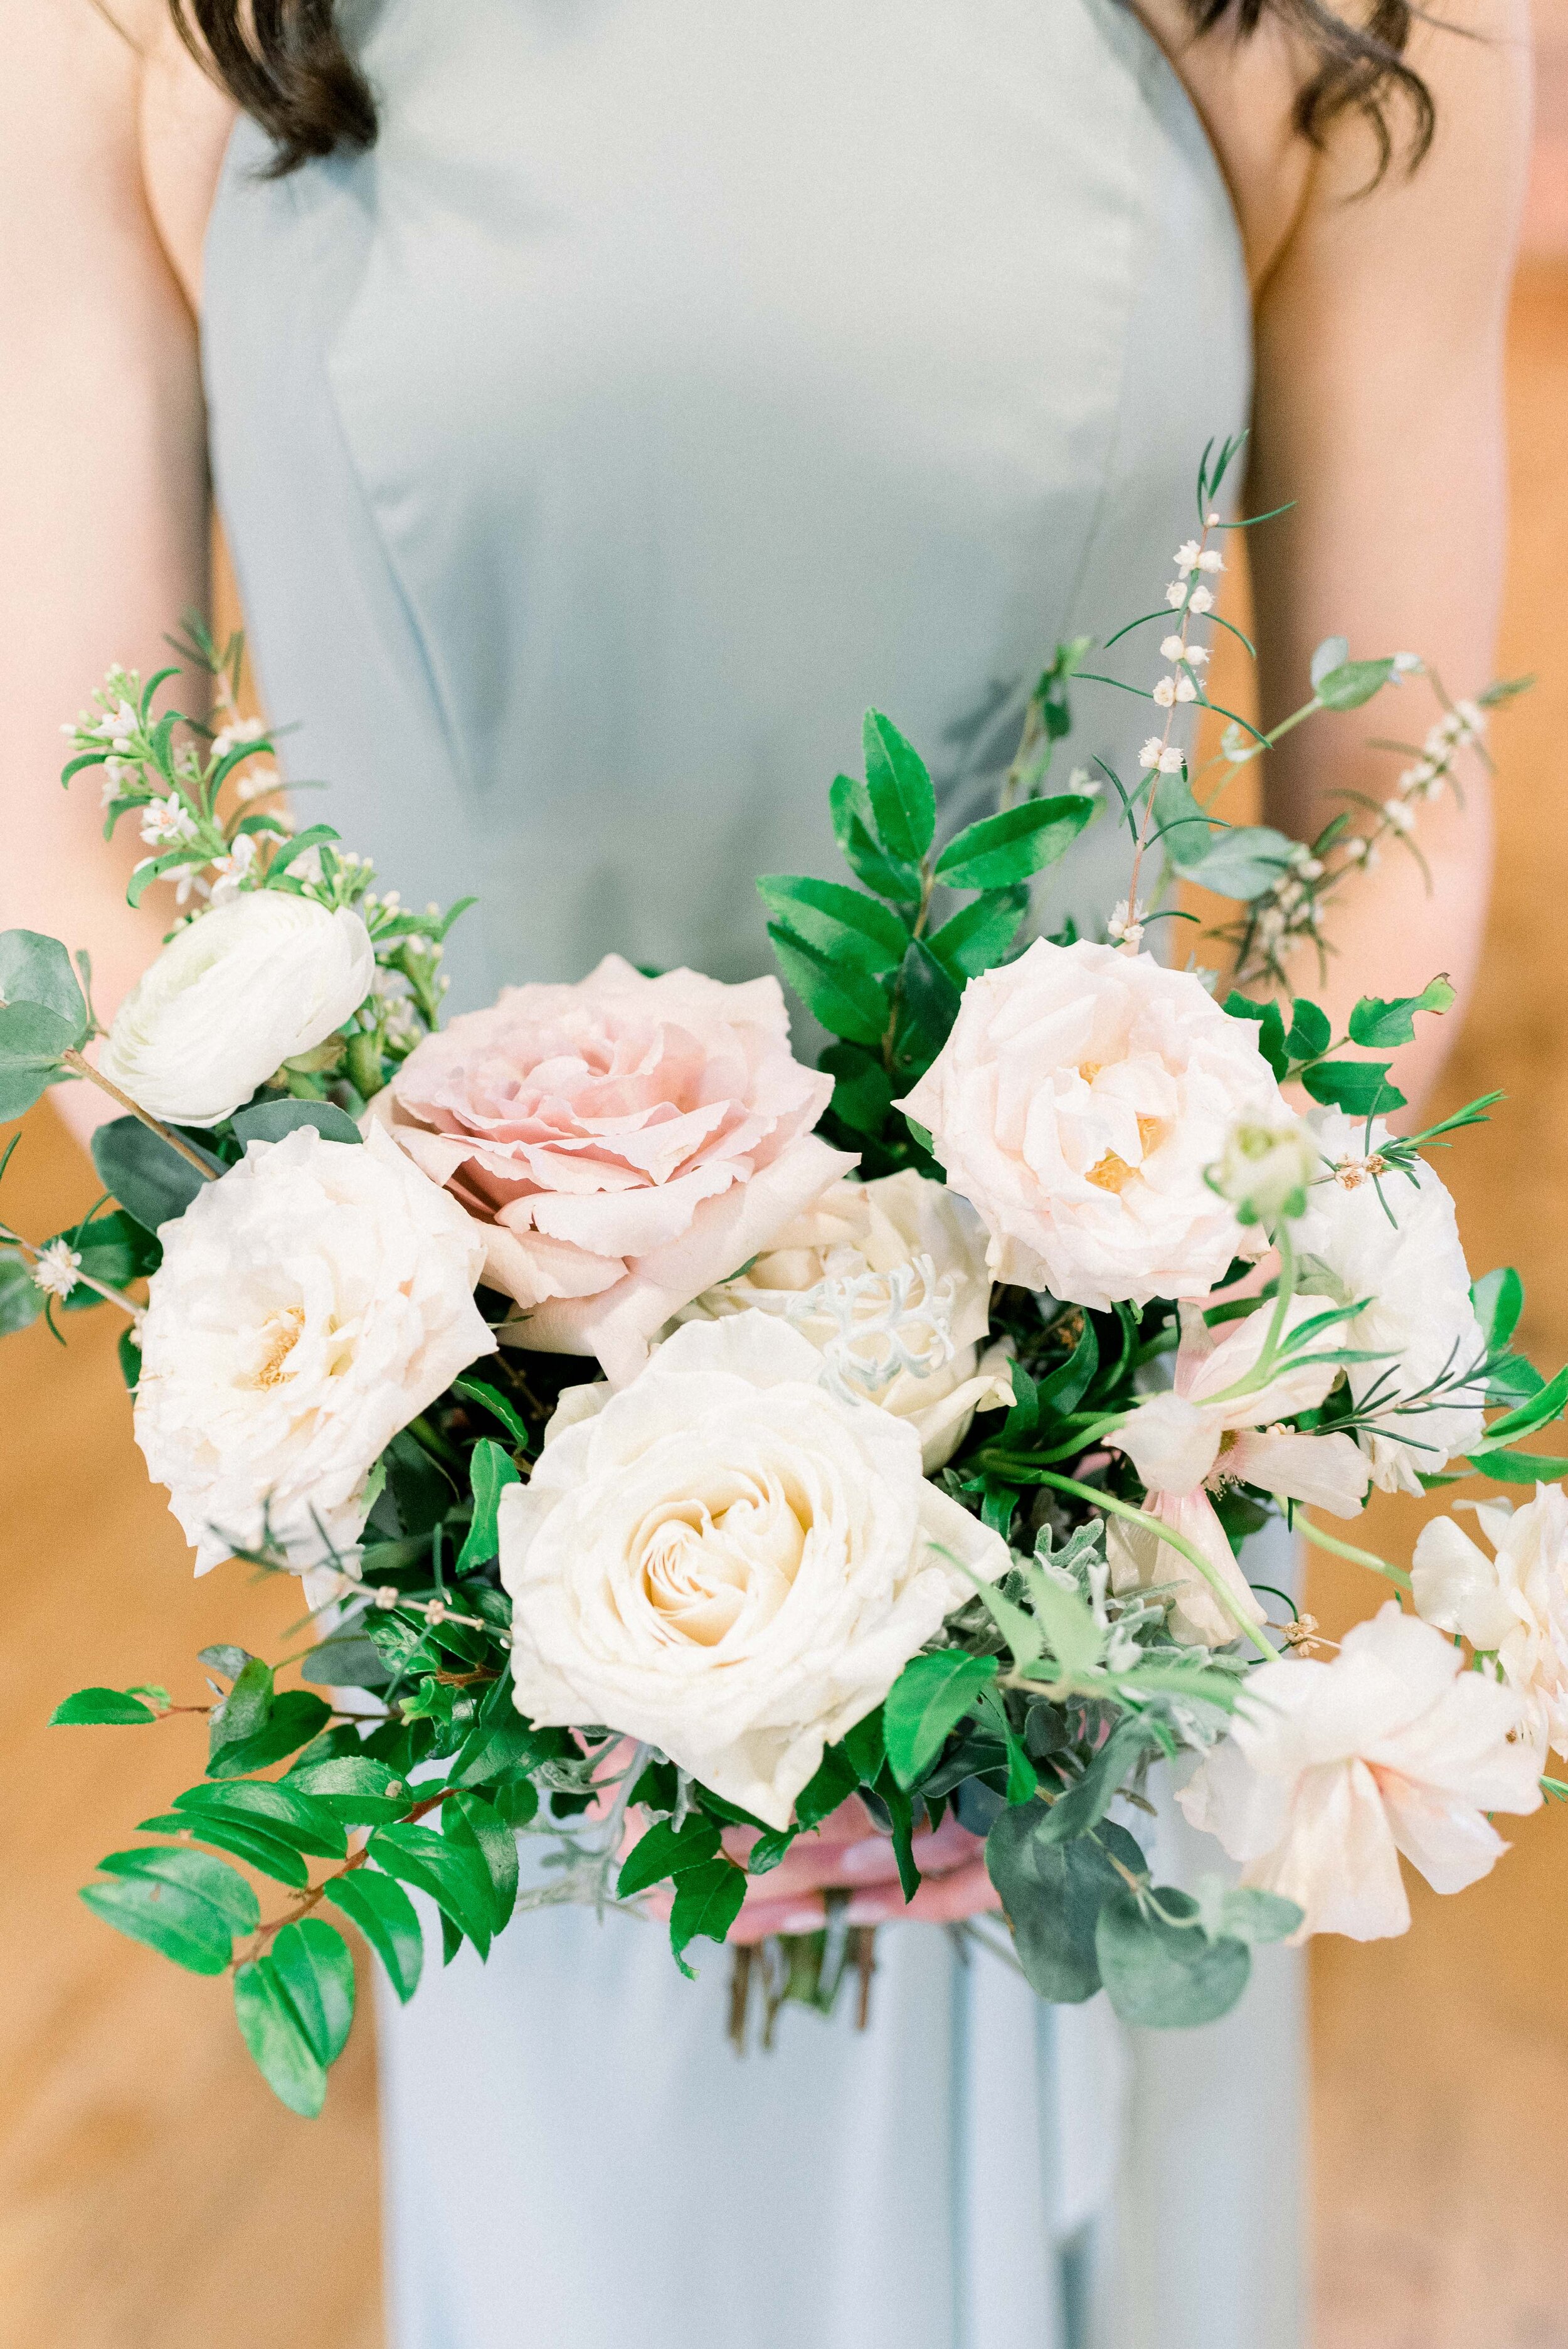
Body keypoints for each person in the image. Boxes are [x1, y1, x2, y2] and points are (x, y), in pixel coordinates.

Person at [1, 1, 1527, 2343]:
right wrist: (417, 1450)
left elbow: (1389, 805)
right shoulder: (131, 28)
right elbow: (79, 815)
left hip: (1091, 1495)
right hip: (484, 1530)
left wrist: (1113, 1429)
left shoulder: (1347, 25)